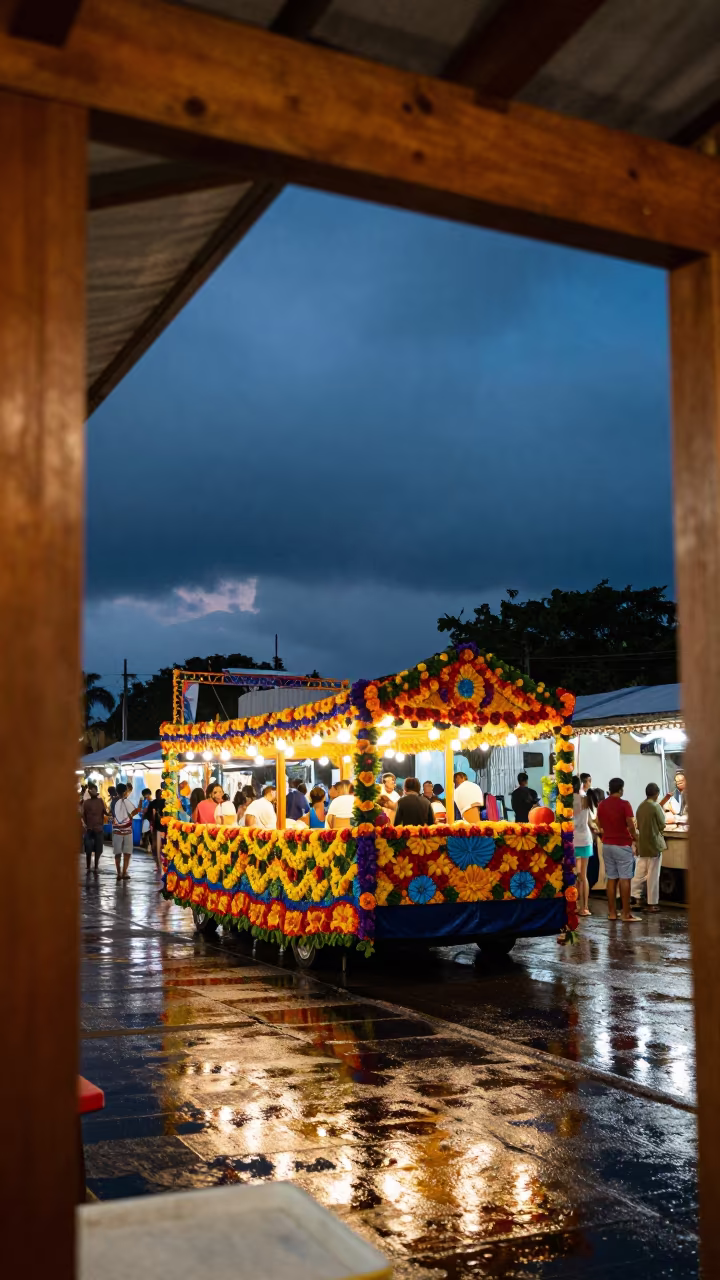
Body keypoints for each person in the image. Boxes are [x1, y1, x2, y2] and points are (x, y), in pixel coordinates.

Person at [597, 777, 640, 922]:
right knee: (625, 878)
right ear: (621, 789)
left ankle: (612, 913)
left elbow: (599, 823)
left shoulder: (602, 805)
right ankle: (626, 914)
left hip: (607, 845)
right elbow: (630, 824)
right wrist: (635, 838)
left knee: (611, 878)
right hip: (622, 844)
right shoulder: (624, 804)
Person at [632, 782, 666, 913]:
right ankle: (652, 904)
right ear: (656, 794)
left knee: (639, 872)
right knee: (653, 875)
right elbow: (662, 824)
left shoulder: (640, 806)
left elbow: (638, 825)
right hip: (654, 845)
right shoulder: (655, 806)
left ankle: (636, 898)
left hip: (643, 844)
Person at [571, 775, 592, 917]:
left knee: (572, 876)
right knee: (583, 876)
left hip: (570, 841)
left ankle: (573, 905)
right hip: (584, 839)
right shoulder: (585, 799)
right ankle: (584, 908)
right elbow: (590, 820)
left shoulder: (564, 801)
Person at [112, 782, 140, 880]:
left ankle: (119, 873)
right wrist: (140, 804)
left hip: (117, 831)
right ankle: (124, 872)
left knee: (118, 853)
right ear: (125, 792)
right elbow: (133, 813)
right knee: (127, 852)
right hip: (127, 830)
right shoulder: (124, 802)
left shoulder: (113, 801)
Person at [82, 783, 108, 874]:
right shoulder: (87, 802)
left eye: (94, 790)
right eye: (91, 790)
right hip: (90, 828)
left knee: (98, 848)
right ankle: (90, 866)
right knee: (89, 848)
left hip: (97, 828)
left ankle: (95, 865)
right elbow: (83, 815)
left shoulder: (99, 801)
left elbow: (105, 812)